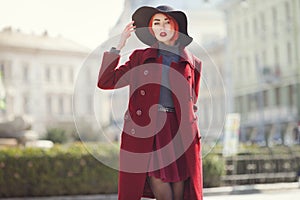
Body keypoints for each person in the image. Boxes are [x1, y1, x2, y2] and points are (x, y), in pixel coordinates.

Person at [98, 5, 203, 200]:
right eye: (156, 23)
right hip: (149, 130)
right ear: (151, 29)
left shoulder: (193, 62)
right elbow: (106, 82)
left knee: (181, 185)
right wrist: (119, 46)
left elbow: (192, 101)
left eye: (166, 22)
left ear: (175, 27)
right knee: (159, 181)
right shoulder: (140, 57)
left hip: (179, 131)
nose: (161, 27)